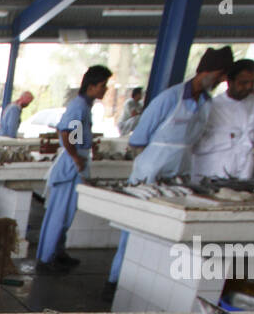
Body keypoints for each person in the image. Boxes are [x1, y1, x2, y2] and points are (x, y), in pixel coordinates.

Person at [109, 46, 233, 287]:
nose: (222, 80)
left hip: (180, 172)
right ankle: (116, 280)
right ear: (206, 71)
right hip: (150, 172)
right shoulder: (169, 98)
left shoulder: (207, 103)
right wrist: (153, 161)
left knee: (168, 230)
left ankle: (153, 281)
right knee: (135, 228)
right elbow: (138, 139)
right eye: (220, 74)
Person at [36, 66, 111, 275]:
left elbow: (74, 135)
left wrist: (86, 147)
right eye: (103, 86)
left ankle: (58, 253)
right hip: (71, 168)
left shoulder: (85, 107)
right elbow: (66, 133)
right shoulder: (78, 106)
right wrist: (77, 157)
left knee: (66, 214)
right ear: (92, 86)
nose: (105, 90)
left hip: (76, 163)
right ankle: (46, 258)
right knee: (59, 214)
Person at [191, 59, 254, 180]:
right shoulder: (212, 106)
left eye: (251, 83)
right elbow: (196, 144)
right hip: (213, 168)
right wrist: (228, 138)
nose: (248, 87)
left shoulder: (253, 103)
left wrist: (251, 140)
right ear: (230, 82)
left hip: (243, 169)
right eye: (243, 83)